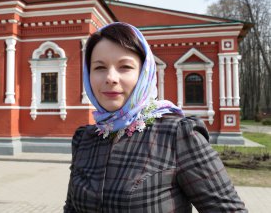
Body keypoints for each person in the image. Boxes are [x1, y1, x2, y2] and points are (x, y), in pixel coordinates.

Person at [64, 22, 247, 212]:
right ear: (88, 74)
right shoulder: (85, 139)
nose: (110, 77)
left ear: (144, 73)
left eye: (125, 66)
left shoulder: (177, 135)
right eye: (99, 67)